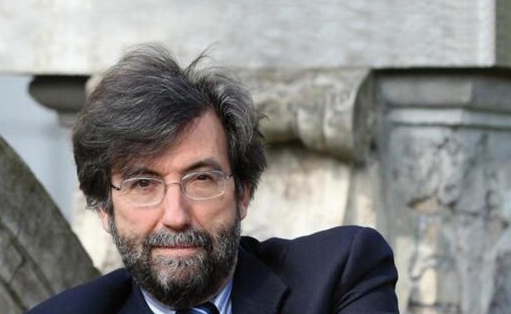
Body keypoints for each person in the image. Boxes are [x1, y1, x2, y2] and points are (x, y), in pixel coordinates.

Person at [29, 44, 398, 313]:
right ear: (104, 208)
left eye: (201, 179)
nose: (175, 216)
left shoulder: (338, 275)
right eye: (143, 184)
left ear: (243, 192)